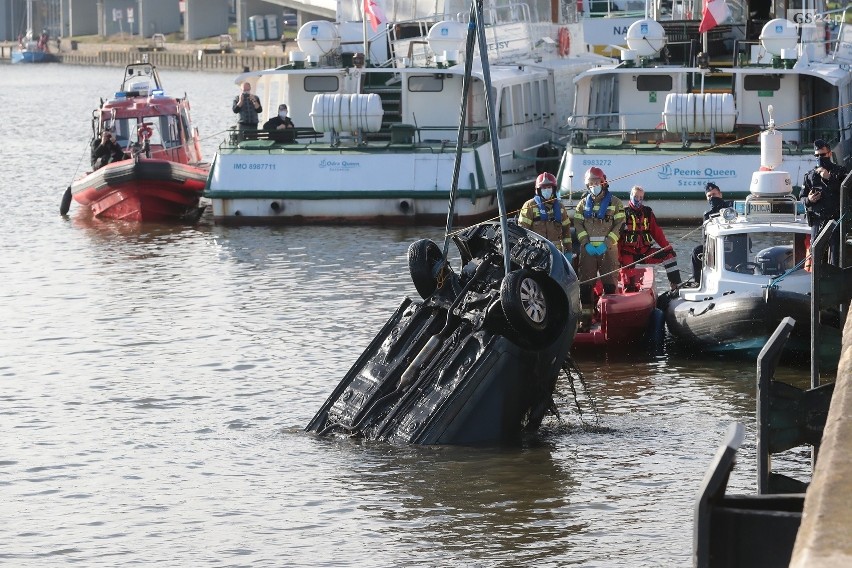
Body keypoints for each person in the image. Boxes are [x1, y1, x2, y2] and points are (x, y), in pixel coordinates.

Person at [574, 167, 625, 304]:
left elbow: (619, 226)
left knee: (610, 286)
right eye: (590, 183)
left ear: (603, 182)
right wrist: (586, 242)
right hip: (588, 251)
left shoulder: (615, 203)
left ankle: (611, 320)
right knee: (585, 287)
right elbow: (578, 225)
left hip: (608, 251)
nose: (593, 186)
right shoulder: (582, 204)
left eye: (596, 182)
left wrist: (607, 243)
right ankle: (585, 321)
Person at [618, 186, 682, 289]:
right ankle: (629, 290)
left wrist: (668, 248)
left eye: (640, 197)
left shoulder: (647, 213)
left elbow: (657, 233)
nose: (638, 199)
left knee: (669, 256)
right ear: (630, 196)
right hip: (628, 254)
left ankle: (676, 286)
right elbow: (617, 238)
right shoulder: (622, 214)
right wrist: (618, 257)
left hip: (645, 252)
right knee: (629, 286)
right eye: (635, 196)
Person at [800, 138, 849, 266]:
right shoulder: (810, 175)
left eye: (823, 155)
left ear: (829, 154)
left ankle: (835, 281)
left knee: (835, 256)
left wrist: (829, 178)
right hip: (817, 220)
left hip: (835, 220)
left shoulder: (841, 172)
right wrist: (809, 200)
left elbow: (847, 192)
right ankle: (817, 282)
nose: (820, 158)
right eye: (817, 155)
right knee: (816, 255)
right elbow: (802, 197)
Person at [517, 172, 573, 258]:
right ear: (538, 190)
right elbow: (522, 231)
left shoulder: (560, 207)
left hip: (557, 254)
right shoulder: (529, 206)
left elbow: (566, 231)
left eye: (549, 187)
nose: (546, 190)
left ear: (553, 189)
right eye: (543, 188)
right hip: (537, 254)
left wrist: (568, 251)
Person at [691, 182, 733, 280]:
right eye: (709, 196)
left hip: (733, 243)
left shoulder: (731, 206)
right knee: (696, 251)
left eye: (714, 195)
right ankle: (697, 281)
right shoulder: (707, 215)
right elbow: (705, 239)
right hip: (714, 246)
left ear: (720, 194)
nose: (712, 198)